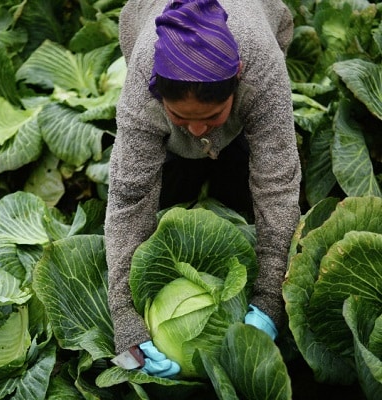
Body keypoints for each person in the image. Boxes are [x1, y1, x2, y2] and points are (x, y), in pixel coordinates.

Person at [105, 0, 301, 377]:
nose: (197, 130)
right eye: (180, 116)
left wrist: (269, 301)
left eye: (211, 116)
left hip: (256, 36)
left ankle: (221, 130)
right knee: (159, 189)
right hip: (147, 31)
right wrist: (126, 317)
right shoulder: (143, 87)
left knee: (250, 187)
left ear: (239, 78)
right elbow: (129, 196)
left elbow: (277, 188)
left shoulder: (263, 72)